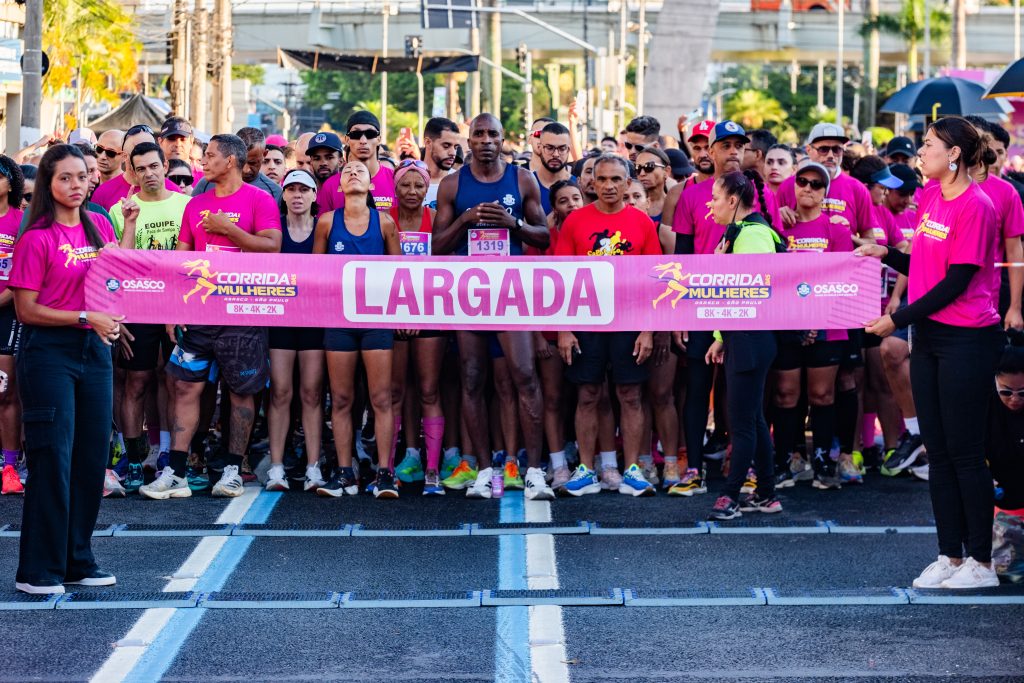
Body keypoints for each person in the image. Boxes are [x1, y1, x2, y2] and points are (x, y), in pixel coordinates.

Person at [856, 116, 1004, 590]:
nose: (920, 152)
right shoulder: (932, 196)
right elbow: (924, 264)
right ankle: (950, 555)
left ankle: (982, 561)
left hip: (967, 339)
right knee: (938, 452)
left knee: (965, 453)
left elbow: (957, 281)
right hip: (930, 336)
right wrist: (886, 255)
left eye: (928, 145)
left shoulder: (977, 205)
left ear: (954, 153)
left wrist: (896, 320)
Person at [141, 134, 281, 501]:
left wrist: (229, 230)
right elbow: (181, 260)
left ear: (230, 161)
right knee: (185, 388)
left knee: (241, 392)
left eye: (211, 155)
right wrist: (174, 310)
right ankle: (176, 472)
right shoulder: (195, 204)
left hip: (243, 313)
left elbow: (273, 246)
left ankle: (232, 470)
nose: (203, 161)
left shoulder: (260, 199)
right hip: (199, 314)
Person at [10, 144, 124, 594]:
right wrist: (84, 317)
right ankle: (39, 569)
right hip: (48, 354)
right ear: (48, 183)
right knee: (52, 458)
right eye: (65, 178)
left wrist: (112, 309)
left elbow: (114, 283)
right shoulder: (36, 237)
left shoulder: (100, 225)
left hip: (94, 351)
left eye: (82, 176)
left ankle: (79, 558)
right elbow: (26, 310)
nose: (77, 185)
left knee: (90, 457)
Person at [432, 113, 554, 501]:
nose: (486, 140)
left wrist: (512, 223)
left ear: (503, 140)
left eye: (493, 135)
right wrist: (465, 221)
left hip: (510, 292)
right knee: (471, 378)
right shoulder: (453, 184)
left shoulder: (522, 179)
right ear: (468, 141)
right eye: (479, 134)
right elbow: (437, 246)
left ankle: (533, 471)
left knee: (525, 376)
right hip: (469, 293)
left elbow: (544, 237)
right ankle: (485, 470)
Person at [668, 121, 779, 496]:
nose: (733, 151)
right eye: (725, 145)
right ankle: (694, 468)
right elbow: (682, 257)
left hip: (746, 311)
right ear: (709, 151)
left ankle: (743, 466)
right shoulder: (692, 195)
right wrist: (680, 313)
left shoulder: (760, 194)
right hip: (701, 306)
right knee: (698, 387)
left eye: (739, 145)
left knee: (744, 394)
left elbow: (777, 257)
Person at [554, 154, 659, 497]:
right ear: (591, 183)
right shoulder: (575, 221)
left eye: (616, 179)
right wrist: (564, 329)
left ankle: (632, 470)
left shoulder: (642, 223)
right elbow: (561, 279)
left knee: (630, 395)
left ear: (628, 183)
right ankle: (586, 469)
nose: (609, 186)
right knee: (587, 394)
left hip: (630, 321)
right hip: (586, 320)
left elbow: (654, 280)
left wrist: (648, 330)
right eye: (602, 179)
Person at [313, 160, 401, 499]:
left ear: (371, 185)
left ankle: (385, 473)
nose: (352, 173)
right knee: (342, 399)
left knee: (380, 398)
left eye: (360, 171)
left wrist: (400, 317)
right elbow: (314, 273)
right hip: (338, 320)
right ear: (338, 184)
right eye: (347, 170)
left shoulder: (385, 222)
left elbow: (399, 274)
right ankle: (344, 473)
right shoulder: (326, 222)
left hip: (376, 320)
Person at [108, 142, 190, 492]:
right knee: (136, 382)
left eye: (154, 166)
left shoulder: (185, 205)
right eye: (141, 168)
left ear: (165, 165)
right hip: (137, 307)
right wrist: (129, 221)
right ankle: (134, 460)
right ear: (132, 171)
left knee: (174, 381)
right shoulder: (119, 209)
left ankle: (168, 456)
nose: (149, 174)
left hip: (177, 305)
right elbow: (118, 266)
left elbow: (193, 259)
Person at [702, 169, 783, 520]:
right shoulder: (743, 231)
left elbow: (752, 291)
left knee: (742, 424)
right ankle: (767, 494)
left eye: (716, 198)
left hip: (752, 339)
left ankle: (730, 496)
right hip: (745, 337)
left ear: (733, 200)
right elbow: (736, 298)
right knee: (753, 418)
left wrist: (721, 266)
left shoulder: (753, 235)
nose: (711, 205)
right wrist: (721, 337)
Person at [772, 161, 852, 491]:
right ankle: (786, 461)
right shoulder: (777, 226)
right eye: (802, 181)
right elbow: (774, 278)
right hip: (785, 323)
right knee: (786, 395)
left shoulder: (837, 229)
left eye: (816, 184)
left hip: (828, 324)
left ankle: (822, 461)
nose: (808, 187)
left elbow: (841, 279)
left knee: (822, 395)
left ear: (825, 192)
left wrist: (815, 322)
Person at [386, 159, 452, 495]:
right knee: (395, 392)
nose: (412, 191)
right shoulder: (385, 220)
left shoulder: (436, 219)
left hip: (429, 313)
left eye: (419, 186)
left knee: (428, 390)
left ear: (428, 189)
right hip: (393, 314)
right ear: (394, 188)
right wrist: (399, 313)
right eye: (405, 185)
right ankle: (387, 468)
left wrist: (418, 313)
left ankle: (432, 470)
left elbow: (446, 268)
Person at [265, 169, 326, 493]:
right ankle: (276, 467)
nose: (298, 195)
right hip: (281, 320)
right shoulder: (274, 229)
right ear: (284, 195)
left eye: (304, 189)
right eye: (292, 189)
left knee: (312, 394)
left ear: (314, 195)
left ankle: (314, 466)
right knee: (280, 392)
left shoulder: (323, 228)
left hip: (314, 320)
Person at [849, 156, 910, 479]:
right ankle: (856, 450)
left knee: (882, 381)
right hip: (849, 309)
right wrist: (866, 243)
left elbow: (905, 248)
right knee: (855, 383)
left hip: (881, 308)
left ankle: (891, 448)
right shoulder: (846, 209)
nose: (885, 193)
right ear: (864, 186)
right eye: (881, 187)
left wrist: (896, 297)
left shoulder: (884, 213)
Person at [987, 333, 1024, 583]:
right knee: (1008, 572)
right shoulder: (983, 406)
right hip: (1002, 496)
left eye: (1023, 393)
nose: (1015, 399)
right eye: (1006, 392)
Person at [0, 155, 24, 495]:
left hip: (8, 313)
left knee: (5, 391)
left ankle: (10, 466)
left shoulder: (22, 220)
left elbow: (23, 277)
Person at [318, 112, 395, 214]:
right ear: (347, 139)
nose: (363, 141)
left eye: (370, 134)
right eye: (356, 135)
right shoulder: (330, 186)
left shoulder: (395, 180)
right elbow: (323, 222)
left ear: (379, 139)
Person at [91, 124, 181, 210]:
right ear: (124, 156)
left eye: (150, 151)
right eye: (138, 152)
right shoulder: (103, 193)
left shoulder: (173, 190)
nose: (145, 158)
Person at [192, 127, 282, 201]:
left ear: (264, 154)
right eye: (241, 161)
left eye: (253, 163)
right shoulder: (206, 184)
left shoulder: (275, 193)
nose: (246, 170)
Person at [420, 117, 460, 209]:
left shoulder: (460, 181)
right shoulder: (407, 180)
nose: (453, 153)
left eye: (456, 147)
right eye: (446, 146)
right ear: (428, 142)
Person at [534, 122, 574, 214]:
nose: (556, 154)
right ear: (539, 148)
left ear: (568, 149)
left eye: (562, 148)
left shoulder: (578, 186)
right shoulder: (525, 184)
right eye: (549, 148)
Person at [159, 117, 201, 182]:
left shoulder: (206, 178)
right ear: (160, 142)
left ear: (191, 142)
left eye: (183, 139)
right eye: (171, 139)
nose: (178, 144)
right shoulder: (152, 176)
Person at [636, 147, 671, 224]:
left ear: (666, 171)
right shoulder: (629, 204)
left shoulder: (677, 205)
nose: (642, 173)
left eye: (649, 167)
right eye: (638, 168)